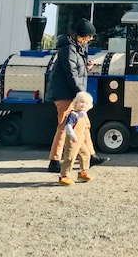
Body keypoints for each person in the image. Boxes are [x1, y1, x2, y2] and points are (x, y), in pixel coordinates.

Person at [46, 18, 109, 172]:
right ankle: (54, 161)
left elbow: (75, 71)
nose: (91, 38)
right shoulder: (69, 49)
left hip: (70, 93)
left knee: (84, 125)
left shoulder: (77, 48)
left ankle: (90, 156)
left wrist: (86, 67)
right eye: (90, 35)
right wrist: (81, 93)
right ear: (82, 35)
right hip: (65, 94)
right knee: (64, 127)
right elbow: (71, 73)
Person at [58, 92, 95, 186]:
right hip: (72, 140)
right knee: (70, 157)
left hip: (80, 140)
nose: (83, 105)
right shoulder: (73, 115)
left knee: (85, 154)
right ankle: (64, 176)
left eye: (86, 103)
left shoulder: (84, 114)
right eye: (81, 102)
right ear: (76, 103)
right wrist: (73, 136)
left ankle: (82, 171)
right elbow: (68, 126)